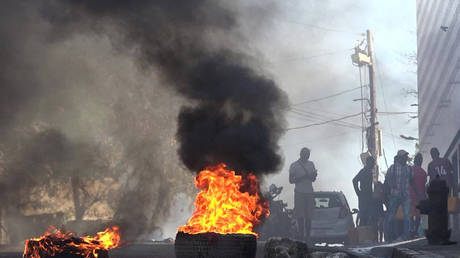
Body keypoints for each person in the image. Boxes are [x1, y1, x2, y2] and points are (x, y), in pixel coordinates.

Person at [383, 150, 418, 241]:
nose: (406, 158)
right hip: (395, 195)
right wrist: (391, 185)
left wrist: (416, 192)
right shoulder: (393, 168)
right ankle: (388, 236)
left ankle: (406, 235)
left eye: (406, 156)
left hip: (405, 195)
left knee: (407, 215)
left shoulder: (409, 168)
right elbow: (387, 178)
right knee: (391, 216)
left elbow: (412, 181)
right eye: (404, 156)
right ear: (399, 158)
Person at [289, 147, 317, 242]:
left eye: (308, 155)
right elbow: (291, 180)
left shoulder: (311, 164)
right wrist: (303, 177)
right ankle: (301, 236)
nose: (307, 156)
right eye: (305, 154)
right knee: (300, 216)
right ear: (301, 154)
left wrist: (313, 175)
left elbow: (313, 179)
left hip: (309, 192)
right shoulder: (294, 165)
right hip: (299, 193)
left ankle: (308, 237)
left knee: (309, 216)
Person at [353, 156, 375, 226]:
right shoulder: (364, 171)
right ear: (368, 163)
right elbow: (354, 180)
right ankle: (363, 233)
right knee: (364, 217)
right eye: (372, 163)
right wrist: (358, 193)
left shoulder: (369, 172)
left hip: (368, 197)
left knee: (369, 217)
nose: (373, 165)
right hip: (364, 197)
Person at [410, 153, 427, 237]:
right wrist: (423, 196)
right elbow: (423, 186)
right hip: (419, 196)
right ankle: (415, 231)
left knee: (410, 214)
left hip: (410, 195)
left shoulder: (410, 169)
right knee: (417, 215)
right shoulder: (423, 173)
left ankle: (412, 230)